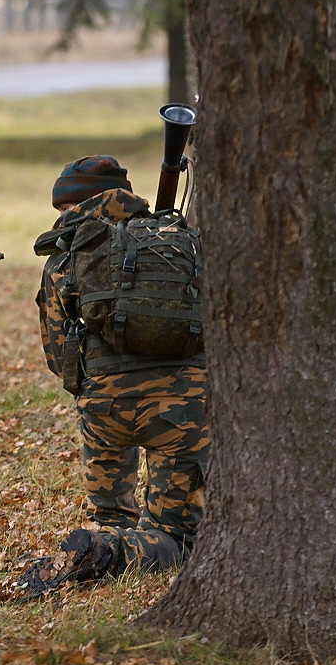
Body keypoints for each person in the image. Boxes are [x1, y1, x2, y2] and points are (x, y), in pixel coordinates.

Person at [19, 155, 209, 597]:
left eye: (62, 208)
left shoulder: (67, 257)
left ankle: (103, 540)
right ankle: (115, 553)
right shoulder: (181, 242)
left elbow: (57, 353)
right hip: (181, 412)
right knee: (178, 537)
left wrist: (93, 388)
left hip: (104, 410)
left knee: (109, 516)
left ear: (76, 204)